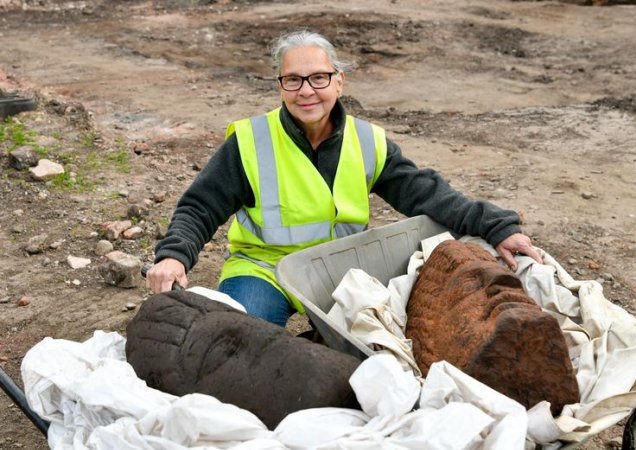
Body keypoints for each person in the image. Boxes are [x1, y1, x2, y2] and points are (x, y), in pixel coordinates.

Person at [147, 30, 543, 327]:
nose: (307, 91)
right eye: (294, 80)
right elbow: (200, 206)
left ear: (339, 81)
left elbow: (425, 193)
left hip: (341, 274)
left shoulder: (368, 141)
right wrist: (173, 255)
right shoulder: (251, 141)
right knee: (235, 340)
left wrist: (495, 225)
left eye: (319, 78)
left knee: (381, 359)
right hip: (263, 270)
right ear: (280, 85)